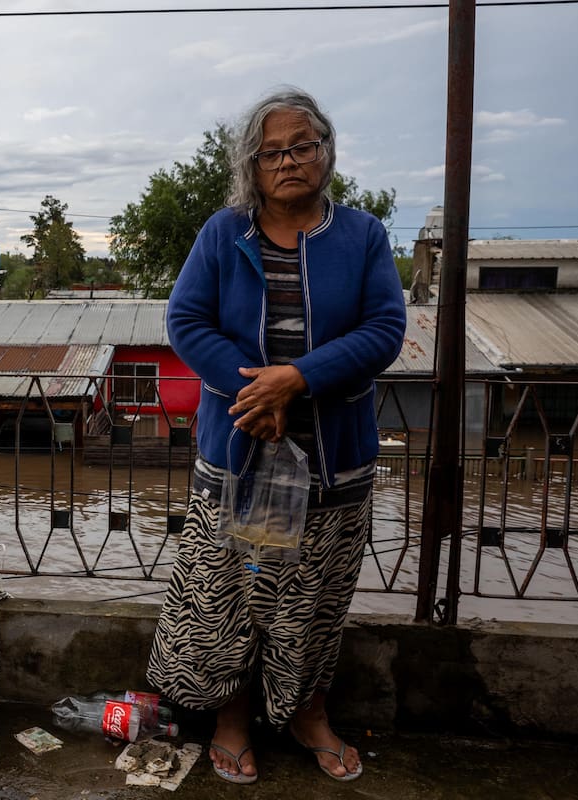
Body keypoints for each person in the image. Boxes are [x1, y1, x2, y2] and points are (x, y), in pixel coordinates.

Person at [146, 87, 406, 785]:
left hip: (333, 460)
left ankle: (308, 713)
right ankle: (231, 719)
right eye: (271, 152)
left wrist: (296, 380)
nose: (288, 161)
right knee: (229, 596)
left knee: (316, 602)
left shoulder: (363, 235)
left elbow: (384, 329)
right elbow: (187, 324)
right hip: (237, 451)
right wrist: (255, 391)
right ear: (251, 167)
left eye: (301, 146)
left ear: (325, 153)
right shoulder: (222, 233)